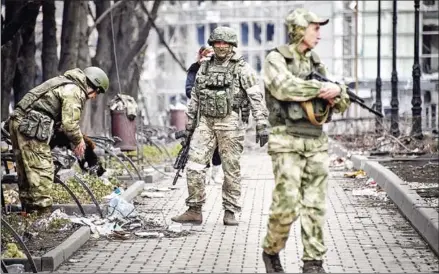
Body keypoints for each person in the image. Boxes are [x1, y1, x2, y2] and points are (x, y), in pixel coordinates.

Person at [261, 8, 351, 273]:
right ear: (300, 29)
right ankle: (272, 251)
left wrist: (339, 91)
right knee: (286, 204)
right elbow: (283, 87)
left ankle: (313, 262)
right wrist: (323, 89)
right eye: (315, 28)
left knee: (315, 205)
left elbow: (341, 102)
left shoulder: (315, 62)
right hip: (286, 140)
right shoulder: (276, 59)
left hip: (315, 142)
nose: (319, 34)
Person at [171, 26, 269, 226]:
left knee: (231, 169)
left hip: (230, 123)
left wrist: (262, 123)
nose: (221, 46)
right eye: (217, 43)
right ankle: (194, 209)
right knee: (194, 166)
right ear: (212, 44)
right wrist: (189, 127)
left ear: (232, 45)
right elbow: (195, 100)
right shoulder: (204, 68)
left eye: (225, 43)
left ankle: (230, 211)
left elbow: (256, 97)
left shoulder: (242, 69)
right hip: (206, 122)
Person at [8, 66, 109, 215]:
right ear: (93, 84)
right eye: (97, 92)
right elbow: (70, 125)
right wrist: (78, 141)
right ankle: (42, 216)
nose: (94, 97)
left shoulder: (63, 82)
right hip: (31, 127)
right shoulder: (75, 90)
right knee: (42, 171)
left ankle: (28, 213)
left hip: (20, 123)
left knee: (26, 171)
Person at [185, 45, 223, 184]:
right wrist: (203, 95)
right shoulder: (194, 69)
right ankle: (205, 173)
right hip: (200, 113)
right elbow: (188, 90)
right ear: (201, 56)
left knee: (218, 144)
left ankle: (216, 173)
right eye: (206, 56)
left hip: (218, 113)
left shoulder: (220, 69)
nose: (209, 59)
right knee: (202, 145)